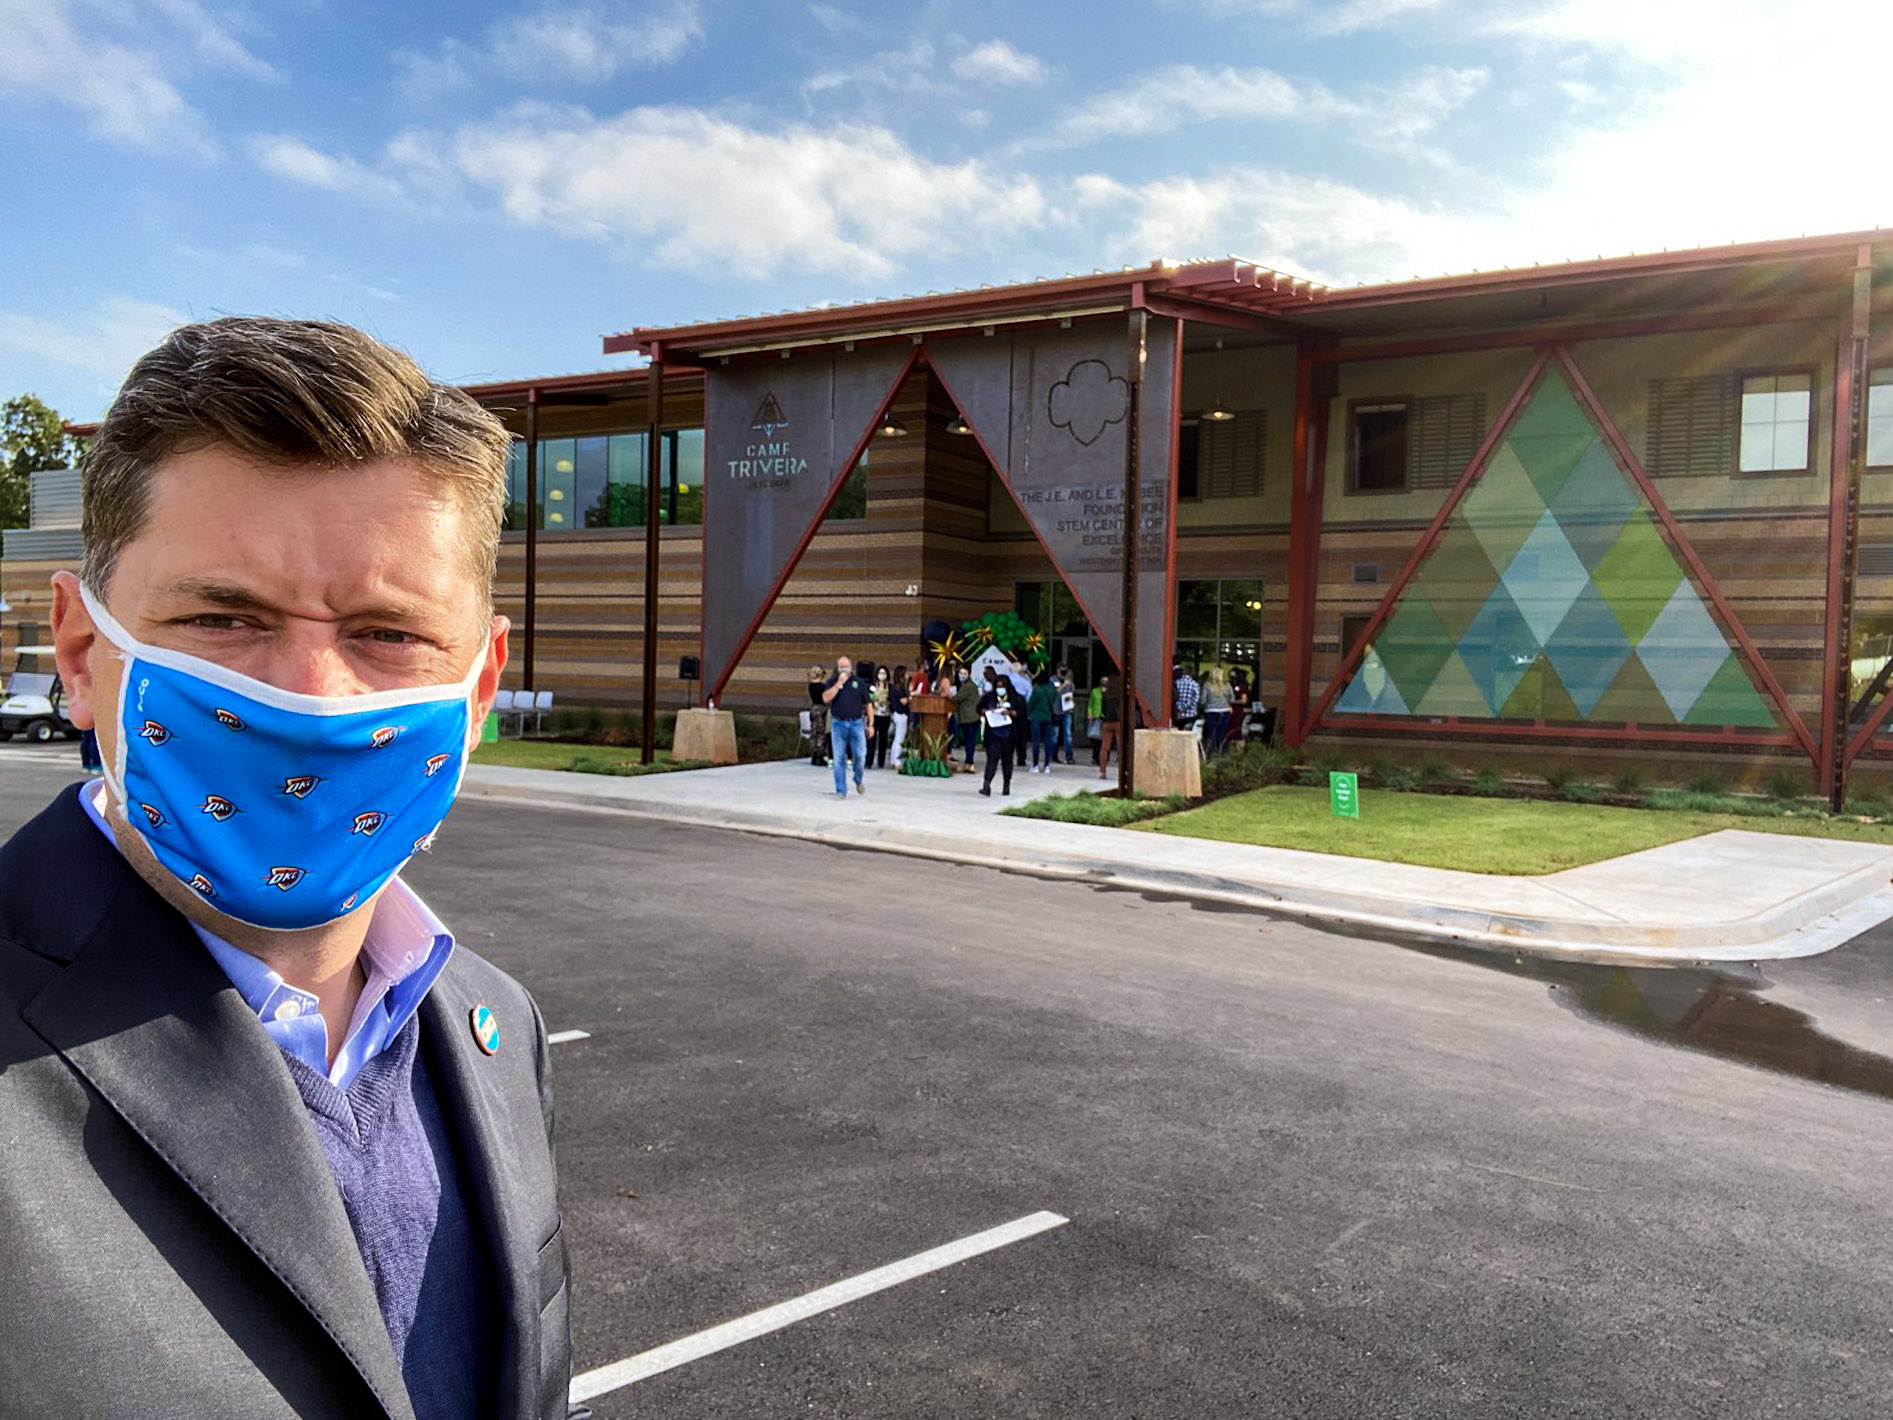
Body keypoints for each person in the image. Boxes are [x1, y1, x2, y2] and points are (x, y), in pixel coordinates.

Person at [0, 316, 574, 1418]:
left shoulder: (496, 1025)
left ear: (480, 686)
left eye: (388, 634)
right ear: (81, 654)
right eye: (224, 617)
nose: (312, 696)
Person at [821, 654, 869, 796]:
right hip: (838, 723)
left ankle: (858, 778)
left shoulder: (859, 682)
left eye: (846, 666)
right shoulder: (832, 682)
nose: (844, 669)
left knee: (860, 755)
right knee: (839, 758)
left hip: (856, 723)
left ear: (851, 667)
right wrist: (838, 684)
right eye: (841, 667)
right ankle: (841, 790)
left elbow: (868, 703)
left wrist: (871, 724)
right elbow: (825, 698)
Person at [976, 666, 1017, 797]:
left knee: (1007, 760)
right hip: (993, 733)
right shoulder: (989, 697)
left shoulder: (1014, 698)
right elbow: (979, 708)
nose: (1000, 689)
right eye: (998, 686)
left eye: (1002, 687)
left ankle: (1006, 785)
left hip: (1008, 734)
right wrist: (984, 711)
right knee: (992, 759)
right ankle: (986, 785)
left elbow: (1022, 712)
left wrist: (1011, 713)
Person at [1026, 668, 1058, 773]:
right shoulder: (1052, 690)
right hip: (1048, 717)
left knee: (1036, 742)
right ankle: (1047, 765)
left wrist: (1028, 713)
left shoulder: (1037, 690)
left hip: (1036, 717)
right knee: (1047, 741)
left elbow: (1031, 704)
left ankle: (1035, 765)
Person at [952, 663, 982, 772]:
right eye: (960, 673)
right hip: (971, 717)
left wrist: (947, 695)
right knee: (969, 741)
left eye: (964, 673)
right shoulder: (967, 685)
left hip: (969, 717)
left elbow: (957, 698)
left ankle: (970, 763)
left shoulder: (968, 686)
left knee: (969, 741)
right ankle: (968, 763)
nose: (962, 675)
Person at [1200, 664, 1233, 755]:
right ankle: (1221, 752)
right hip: (1225, 711)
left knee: (1212, 734)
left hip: (1210, 711)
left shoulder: (1207, 685)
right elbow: (1232, 698)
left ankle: (1213, 753)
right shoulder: (1227, 685)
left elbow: (1202, 700)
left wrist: (1203, 706)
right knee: (1222, 733)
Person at [1007, 658, 1034, 770]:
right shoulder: (1026, 681)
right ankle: (1021, 758)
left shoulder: (1009, 678)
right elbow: (1029, 696)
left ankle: (1009, 757)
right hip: (1022, 706)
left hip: (1010, 705)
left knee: (1011, 734)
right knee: (1021, 735)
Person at [1097, 673, 1123, 781]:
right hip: (1119, 722)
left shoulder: (1105, 695)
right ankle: (1122, 774)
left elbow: (1103, 709)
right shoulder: (1121, 696)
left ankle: (1102, 772)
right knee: (1121, 748)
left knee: (1104, 748)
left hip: (1107, 722)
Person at [867, 665, 893, 770]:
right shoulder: (872, 686)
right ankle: (869, 761)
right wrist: (873, 702)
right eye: (880, 673)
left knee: (883, 738)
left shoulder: (889, 687)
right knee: (872, 738)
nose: (882, 675)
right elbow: (868, 697)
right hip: (874, 714)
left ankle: (881, 762)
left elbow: (892, 699)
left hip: (885, 714)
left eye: (884, 673)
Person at [806, 663, 830, 766]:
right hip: (821, 709)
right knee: (821, 733)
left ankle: (814, 754)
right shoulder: (822, 687)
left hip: (814, 708)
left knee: (814, 732)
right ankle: (820, 755)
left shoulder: (811, 686)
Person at [888, 664, 912, 768]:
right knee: (900, 738)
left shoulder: (896, 687)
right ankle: (897, 761)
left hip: (897, 714)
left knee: (897, 738)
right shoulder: (898, 688)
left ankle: (893, 760)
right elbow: (903, 701)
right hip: (900, 714)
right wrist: (911, 697)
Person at [1054, 665, 1077, 765]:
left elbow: (1072, 693)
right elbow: (1054, 692)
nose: (1064, 671)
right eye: (1062, 669)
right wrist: (1063, 685)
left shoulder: (1069, 681)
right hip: (1056, 710)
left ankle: (1069, 756)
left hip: (1067, 711)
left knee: (1067, 735)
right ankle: (1053, 755)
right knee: (1054, 735)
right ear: (1058, 669)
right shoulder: (1053, 680)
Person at [1173, 662, 1200, 731]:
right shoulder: (1195, 684)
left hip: (1178, 714)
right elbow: (1195, 700)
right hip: (1190, 714)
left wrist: (1179, 708)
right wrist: (1185, 707)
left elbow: (1174, 697)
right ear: (1192, 673)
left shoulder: (1176, 682)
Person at [1087, 680, 1104, 765]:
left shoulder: (1109, 692)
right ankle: (1095, 757)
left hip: (1104, 717)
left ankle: (1100, 758)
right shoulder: (1095, 691)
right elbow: (1090, 704)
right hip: (1095, 717)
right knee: (1095, 738)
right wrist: (1090, 713)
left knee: (1103, 740)